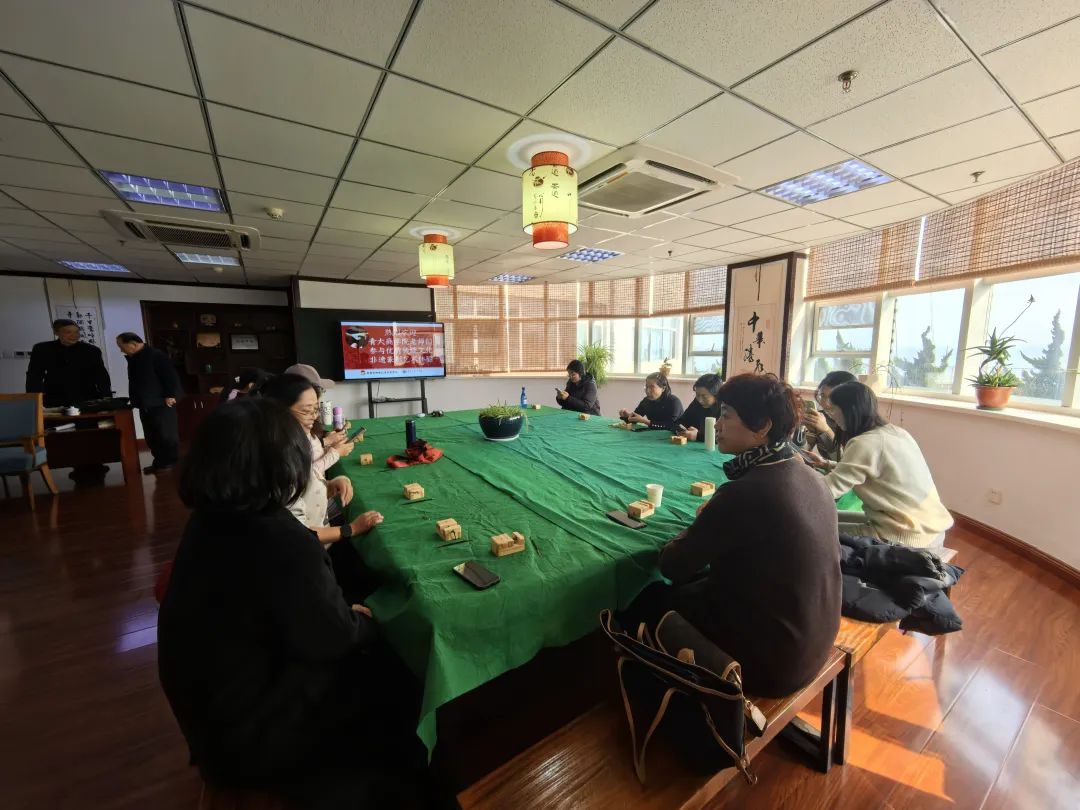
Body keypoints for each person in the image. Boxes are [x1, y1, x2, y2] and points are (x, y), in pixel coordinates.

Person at [158, 398, 436, 807]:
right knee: (400, 674)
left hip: (210, 718)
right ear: (282, 463)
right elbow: (333, 638)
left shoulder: (210, 519)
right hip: (255, 737)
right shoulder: (278, 538)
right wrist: (363, 621)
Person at [624, 374, 841, 697]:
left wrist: (703, 520)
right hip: (813, 642)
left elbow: (673, 565)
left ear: (763, 426)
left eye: (726, 415)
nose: (718, 424)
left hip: (773, 665)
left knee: (645, 598)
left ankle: (648, 695)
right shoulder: (807, 474)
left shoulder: (747, 492)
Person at [812, 381, 953, 548]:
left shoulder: (864, 443)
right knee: (831, 516)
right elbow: (870, 471)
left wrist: (796, 482)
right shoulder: (897, 432)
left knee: (812, 527)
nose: (831, 416)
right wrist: (826, 464)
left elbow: (828, 490)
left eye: (833, 409)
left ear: (848, 410)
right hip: (925, 525)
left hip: (905, 534)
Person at [260, 374, 378, 547]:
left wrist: (328, 486)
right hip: (303, 552)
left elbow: (302, 490)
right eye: (306, 411)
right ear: (278, 412)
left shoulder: (296, 444)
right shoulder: (280, 462)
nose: (314, 417)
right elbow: (299, 533)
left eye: (316, 409)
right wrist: (352, 528)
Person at [116, 332, 182, 475]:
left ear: (133, 344)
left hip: (161, 402)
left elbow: (170, 376)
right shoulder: (135, 358)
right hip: (145, 403)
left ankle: (169, 463)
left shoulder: (156, 355)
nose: (121, 350)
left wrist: (170, 395)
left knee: (166, 434)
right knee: (152, 436)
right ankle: (159, 462)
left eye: (121, 346)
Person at [26, 319, 111, 407]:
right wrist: (34, 400)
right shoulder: (43, 349)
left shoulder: (91, 350)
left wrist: (107, 398)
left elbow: (101, 376)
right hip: (54, 398)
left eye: (76, 332)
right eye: (68, 332)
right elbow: (34, 376)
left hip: (87, 398)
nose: (74, 335)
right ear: (57, 333)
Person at [800, 370, 856, 460]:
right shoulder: (821, 417)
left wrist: (826, 431)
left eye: (832, 398)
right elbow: (804, 453)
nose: (825, 403)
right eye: (822, 396)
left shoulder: (858, 425)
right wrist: (801, 430)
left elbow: (845, 462)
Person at [619, 372, 684, 431]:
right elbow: (635, 418)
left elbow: (670, 425)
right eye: (646, 387)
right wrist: (627, 416)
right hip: (653, 434)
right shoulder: (646, 401)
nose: (648, 390)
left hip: (674, 436)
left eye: (652, 387)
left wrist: (645, 421)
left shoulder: (674, 402)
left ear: (663, 388)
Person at [674, 373, 722, 442]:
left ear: (716, 395)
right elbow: (680, 422)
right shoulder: (696, 403)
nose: (700, 400)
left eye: (704, 396)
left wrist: (698, 436)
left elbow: (725, 437)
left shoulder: (725, 409)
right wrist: (681, 429)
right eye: (697, 395)